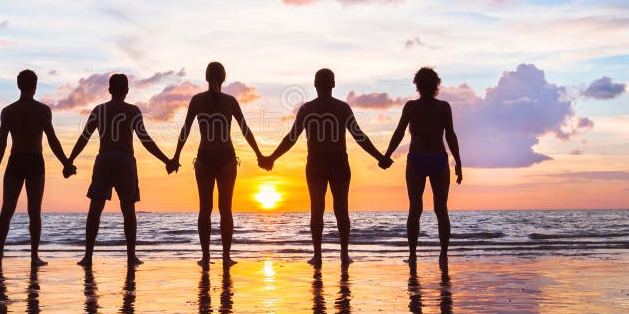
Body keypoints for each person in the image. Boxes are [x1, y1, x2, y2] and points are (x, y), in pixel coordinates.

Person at [259, 68, 392, 267]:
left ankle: (318, 255)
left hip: (317, 163)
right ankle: (344, 255)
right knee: (341, 209)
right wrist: (379, 157)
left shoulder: (307, 109)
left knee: (317, 209)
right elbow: (359, 136)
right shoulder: (342, 108)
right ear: (333, 84)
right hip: (338, 162)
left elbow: (291, 138)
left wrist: (272, 158)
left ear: (315, 85)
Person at [67, 73, 173, 267]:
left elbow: (84, 137)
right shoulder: (133, 111)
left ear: (109, 90)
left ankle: (88, 257)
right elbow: (146, 140)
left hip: (104, 160)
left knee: (95, 209)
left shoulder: (99, 110)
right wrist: (167, 160)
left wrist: (69, 160)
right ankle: (131, 256)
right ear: (126, 90)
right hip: (125, 161)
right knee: (128, 210)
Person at [171, 62, 264, 267]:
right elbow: (245, 129)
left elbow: (185, 131)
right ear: (223, 78)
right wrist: (259, 154)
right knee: (225, 209)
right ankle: (226, 257)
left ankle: (205, 258)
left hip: (204, 158)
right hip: (226, 159)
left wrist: (176, 157)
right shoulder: (230, 101)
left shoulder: (197, 100)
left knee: (205, 209)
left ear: (206, 77)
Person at [0, 69, 74, 267]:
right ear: (35, 87)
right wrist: (66, 163)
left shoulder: (8, 111)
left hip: (16, 160)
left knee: (7, 210)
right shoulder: (42, 110)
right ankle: (34, 256)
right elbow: (52, 140)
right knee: (34, 211)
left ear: (19, 86)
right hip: (34, 161)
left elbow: (1, 142)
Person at [384, 67, 462, 264]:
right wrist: (458, 162)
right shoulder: (426, 107)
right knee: (437, 208)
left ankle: (418, 255)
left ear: (418, 85)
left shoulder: (435, 107)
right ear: (436, 85)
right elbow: (400, 132)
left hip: (426, 158)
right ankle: (438, 254)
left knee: (419, 208)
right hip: (430, 157)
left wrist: (387, 155)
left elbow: (450, 135)